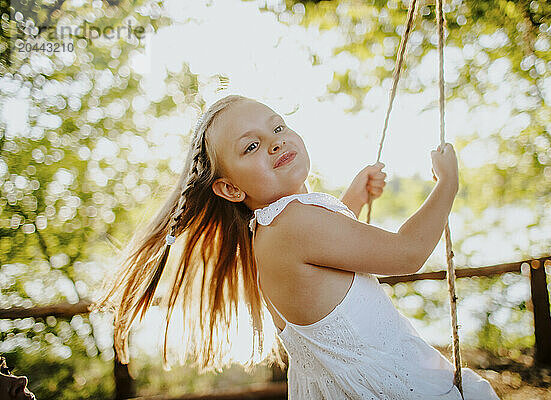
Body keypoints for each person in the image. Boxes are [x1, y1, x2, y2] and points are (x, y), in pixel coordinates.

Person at [94, 94, 499, 399]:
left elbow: (320, 262)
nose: (274, 142)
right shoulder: (295, 224)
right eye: (250, 146)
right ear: (230, 188)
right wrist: (447, 183)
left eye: (278, 127)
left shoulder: (270, 232)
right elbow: (408, 253)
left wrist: (351, 200)